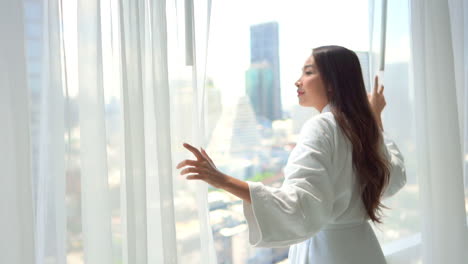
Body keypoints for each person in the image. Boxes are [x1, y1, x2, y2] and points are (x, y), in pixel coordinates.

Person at [176, 45, 406, 264]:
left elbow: (299, 206)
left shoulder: (322, 127)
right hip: (364, 248)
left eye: (308, 72)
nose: (298, 81)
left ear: (332, 82)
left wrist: (221, 179)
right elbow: (394, 177)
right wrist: (375, 118)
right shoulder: (363, 128)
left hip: (327, 254)